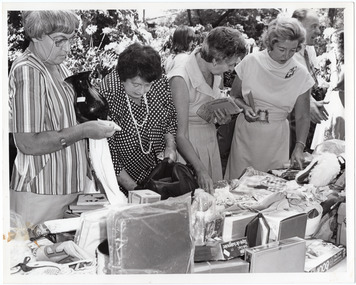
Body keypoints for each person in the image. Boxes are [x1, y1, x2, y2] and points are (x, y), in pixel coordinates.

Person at [8, 10, 117, 226]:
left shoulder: (58, 65)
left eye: (70, 39)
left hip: (70, 185)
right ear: (36, 35)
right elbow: (28, 143)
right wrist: (85, 131)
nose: (67, 48)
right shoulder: (29, 71)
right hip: (42, 192)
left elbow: (64, 120)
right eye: (59, 41)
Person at [224, 16, 315, 180]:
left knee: (268, 189)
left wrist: (299, 148)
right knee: (237, 190)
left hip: (276, 139)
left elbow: (303, 116)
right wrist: (245, 108)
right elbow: (234, 96)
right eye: (282, 49)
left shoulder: (300, 72)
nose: (287, 55)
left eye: (293, 50)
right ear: (270, 43)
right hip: (246, 137)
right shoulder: (251, 61)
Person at [167, 26, 247, 193]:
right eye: (231, 64)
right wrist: (200, 170)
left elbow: (207, 110)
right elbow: (179, 134)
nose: (232, 70)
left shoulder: (215, 72)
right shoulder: (180, 78)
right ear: (216, 60)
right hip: (188, 151)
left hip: (209, 143)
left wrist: (221, 119)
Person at [98, 43, 178, 196]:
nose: (142, 91)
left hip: (158, 173)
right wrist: (135, 190)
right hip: (122, 179)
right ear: (122, 78)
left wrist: (170, 146)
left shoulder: (159, 82)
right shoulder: (109, 93)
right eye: (136, 84)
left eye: (147, 85)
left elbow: (169, 118)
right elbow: (107, 153)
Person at [290, 8, 325, 152]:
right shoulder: (285, 52)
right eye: (313, 26)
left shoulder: (309, 50)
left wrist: (313, 100)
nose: (318, 32)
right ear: (298, 26)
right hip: (288, 121)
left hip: (303, 121)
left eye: (319, 26)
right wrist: (308, 102)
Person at [311, 29, 345, 148]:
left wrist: (334, 65)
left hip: (341, 104)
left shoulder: (346, 62)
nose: (331, 46)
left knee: (338, 138)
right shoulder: (338, 60)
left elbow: (337, 84)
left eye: (334, 43)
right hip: (332, 100)